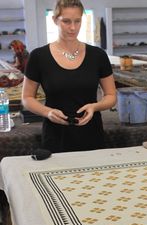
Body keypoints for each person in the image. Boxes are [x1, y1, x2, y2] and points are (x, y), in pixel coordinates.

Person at [22, 0, 117, 153]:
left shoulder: (97, 55)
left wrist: (95, 106)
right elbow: (27, 98)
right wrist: (48, 112)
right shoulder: (39, 56)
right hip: (55, 135)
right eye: (66, 21)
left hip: (91, 133)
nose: (73, 28)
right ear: (54, 20)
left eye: (77, 21)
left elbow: (111, 95)